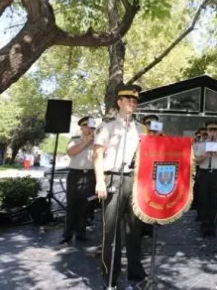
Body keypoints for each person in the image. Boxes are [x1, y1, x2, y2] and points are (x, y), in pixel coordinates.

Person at [93, 84, 150, 290]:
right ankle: (110, 275)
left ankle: (135, 273)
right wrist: (100, 181)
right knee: (111, 231)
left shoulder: (142, 129)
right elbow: (97, 155)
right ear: (119, 102)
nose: (132, 104)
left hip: (133, 181)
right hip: (112, 179)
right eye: (128, 101)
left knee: (135, 229)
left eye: (135, 102)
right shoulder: (107, 127)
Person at [60, 116, 97, 244]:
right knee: (72, 205)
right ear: (81, 127)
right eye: (86, 125)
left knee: (85, 206)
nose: (89, 128)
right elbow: (71, 152)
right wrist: (86, 142)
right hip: (75, 175)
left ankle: (81, 233)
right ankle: (67, 234)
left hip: (90, 175)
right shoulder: (75, 139)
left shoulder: (97, 141)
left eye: (91, 126)